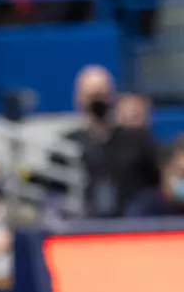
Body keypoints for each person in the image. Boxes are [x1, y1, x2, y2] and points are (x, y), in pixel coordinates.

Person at [62, 65, 161, 218]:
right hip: (83, 228)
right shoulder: (67, 146)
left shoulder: (137, 141)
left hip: (132, 226)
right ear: (78, 100)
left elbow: (157, 184)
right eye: (92, 97)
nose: (97, 103)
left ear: (113, 97)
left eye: (102, 95)